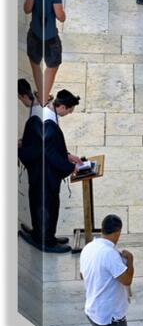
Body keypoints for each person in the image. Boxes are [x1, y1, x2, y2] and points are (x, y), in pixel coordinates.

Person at [27, 90, 82, 253]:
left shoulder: (49, 116)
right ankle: (46, 240)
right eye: (70, 111)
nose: (69, 114)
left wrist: (67, 155)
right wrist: (72, 168)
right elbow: (50, 155)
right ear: (62, 107)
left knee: (45, 205)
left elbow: (51, 148)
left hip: (41, 172)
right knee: (48, 207)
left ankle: (46, 235)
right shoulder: (48, 124)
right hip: (45, 174)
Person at [80, 214, 134, 326]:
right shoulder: (110, 254)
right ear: (117, 233)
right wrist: (130, 260)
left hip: (93, 310)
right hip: (109, 318)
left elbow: (82, 275)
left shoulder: (88, 248)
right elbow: (127, 280)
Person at [23, 0, 65, 105]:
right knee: (52, 66)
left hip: (35, 33)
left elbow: (27, 9)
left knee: (35, 64)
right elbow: (60, 16)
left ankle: (40, 94)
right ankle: (44, 97)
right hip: (50, 36)